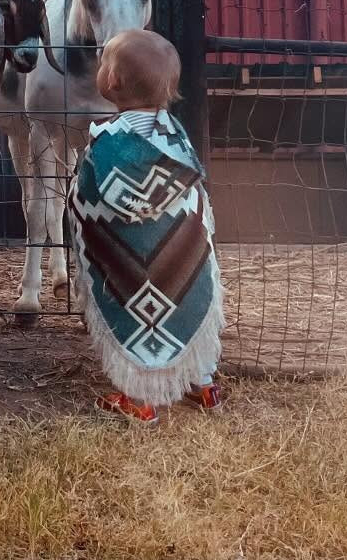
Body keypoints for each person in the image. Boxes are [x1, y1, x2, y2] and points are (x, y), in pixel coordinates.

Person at [68, 28, 225, 424]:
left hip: (125, 255)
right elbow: (192, 195)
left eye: (105, 62)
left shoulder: (107, 140)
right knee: (184, 300)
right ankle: (202, 383)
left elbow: (91, 196)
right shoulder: (175, 135)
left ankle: (140, 398)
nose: (100, 68)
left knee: (134, 307)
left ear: (113, 81)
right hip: (181, 253)